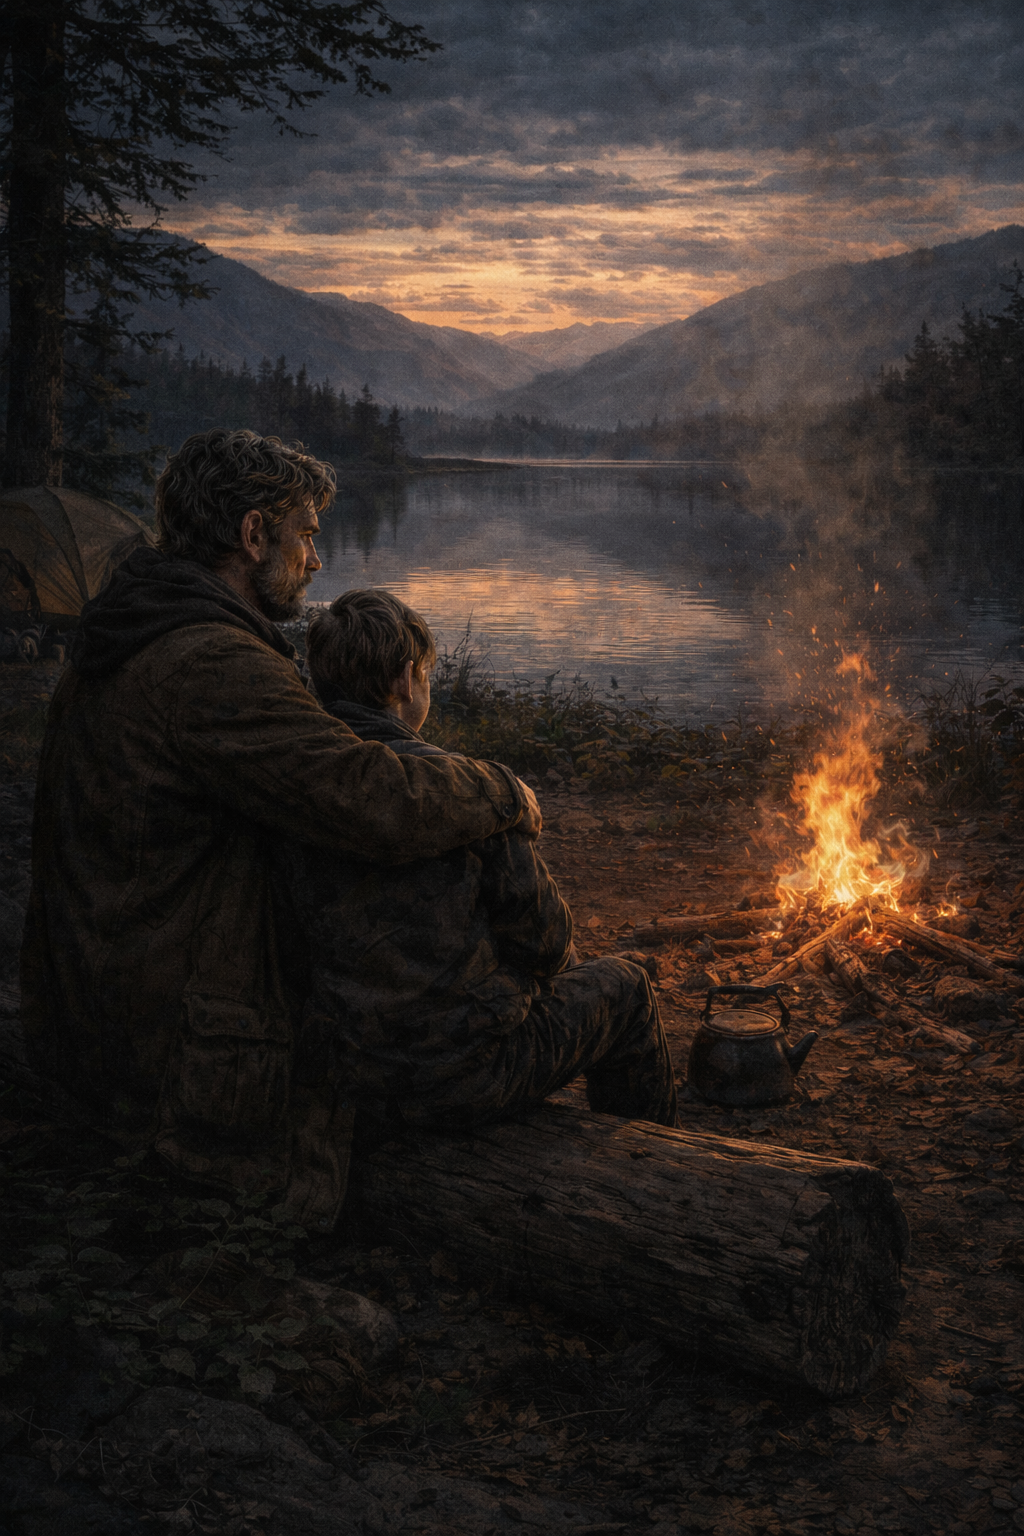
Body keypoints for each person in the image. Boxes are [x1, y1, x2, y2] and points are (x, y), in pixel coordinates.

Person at [21, 431, 539, 1230]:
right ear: (253, 534)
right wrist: (501, 789)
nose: (316, 561)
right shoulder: (207, 662)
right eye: (306, 536)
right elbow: (371, 799)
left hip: (104, 1012)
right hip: (171, 1063)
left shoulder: (137, 628)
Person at [282, 588, 677, 1141]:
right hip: (457, 1078)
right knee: (627, 987)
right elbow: (547, 945)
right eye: (424, 674)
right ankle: (651, 1169)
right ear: (404, 678)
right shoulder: (464, 794)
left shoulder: (293, 783)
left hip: (342, 1074)